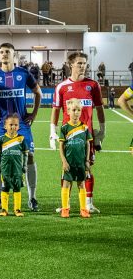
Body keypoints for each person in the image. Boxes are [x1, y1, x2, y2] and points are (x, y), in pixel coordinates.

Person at [0, 43, 41, 211]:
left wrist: (33, 114)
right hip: (1, 126)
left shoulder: (23, 74)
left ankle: (32, 198)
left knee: (30, 156)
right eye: (1, 52)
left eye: (7, 52)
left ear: (14, 55)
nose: (4, 54)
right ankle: (0, 198)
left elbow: (38, 93)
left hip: (22, 125)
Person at [50, 51, 105, 213]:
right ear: (70, 65)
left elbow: (100, 109)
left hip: (86, 136)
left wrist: (102, 131)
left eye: (84, 63)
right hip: (68, 136)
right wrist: (52, 132)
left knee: (87, 168)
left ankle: (88, 203)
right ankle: (65, 204)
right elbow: (56, 110)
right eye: (79, 63)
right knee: (66, 168)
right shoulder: (62, 87)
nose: (82, 66)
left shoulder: (93, 85)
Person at [58, 98, 92, 219]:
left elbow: (88, 144)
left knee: (81, 184)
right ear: (68, 111)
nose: (76, 112)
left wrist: (87, 160)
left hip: (81, 162)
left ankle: (83, 209)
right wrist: (64, 161)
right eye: (73, 110)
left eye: (78, 110)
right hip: (69, 163)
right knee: (66, 185)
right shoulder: (64, 128)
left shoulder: (84, 127)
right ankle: (65, 209)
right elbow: (61, 146)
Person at [0, 114, 28, 217]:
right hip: (5, 169)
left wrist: (24, 166)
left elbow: (25, 153)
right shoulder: (1, 139)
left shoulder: (21, 139)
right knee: (5, 188)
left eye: (16, 125)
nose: (13, 127)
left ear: (18, 126)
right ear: (5, 126)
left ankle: (17, 209)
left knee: (17, 188)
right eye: (11, 125)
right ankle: (4, 209)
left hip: (17, 169)